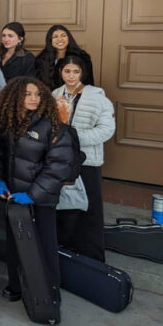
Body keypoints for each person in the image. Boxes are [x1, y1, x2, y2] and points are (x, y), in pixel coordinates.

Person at [0, 76, 75, 308]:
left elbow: (58, 167)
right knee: (15, 244)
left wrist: (33, 194)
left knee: (44, 245)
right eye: (28, 94)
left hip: (40, 200)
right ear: (16, 96)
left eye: (38, 94)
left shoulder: (53, 126)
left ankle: (49, 290)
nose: (33, 98)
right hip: (13, 199)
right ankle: (16, 286)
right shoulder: (7, 123)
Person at [53, 55, 115, 262]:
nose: (71, 76)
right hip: (62, 161)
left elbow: (107, 130)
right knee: (65, 207)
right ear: (60, 72)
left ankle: (92, 258)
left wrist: (74, 138)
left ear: (82, 73)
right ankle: (65, 251)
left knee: (89, 210)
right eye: (67, 71)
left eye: (75, 71)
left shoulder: (97, 97)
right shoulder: (54, 95)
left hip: (87, 161)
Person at [35, 25, 94, 90]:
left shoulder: (82, 57)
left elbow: (87, 83)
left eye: (63, 35)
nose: (60, 39)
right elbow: (39, 84)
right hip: (49, 97)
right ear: (50, 40)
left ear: (69, 38)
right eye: (55, 37)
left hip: (77, 96)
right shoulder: (41, 59)